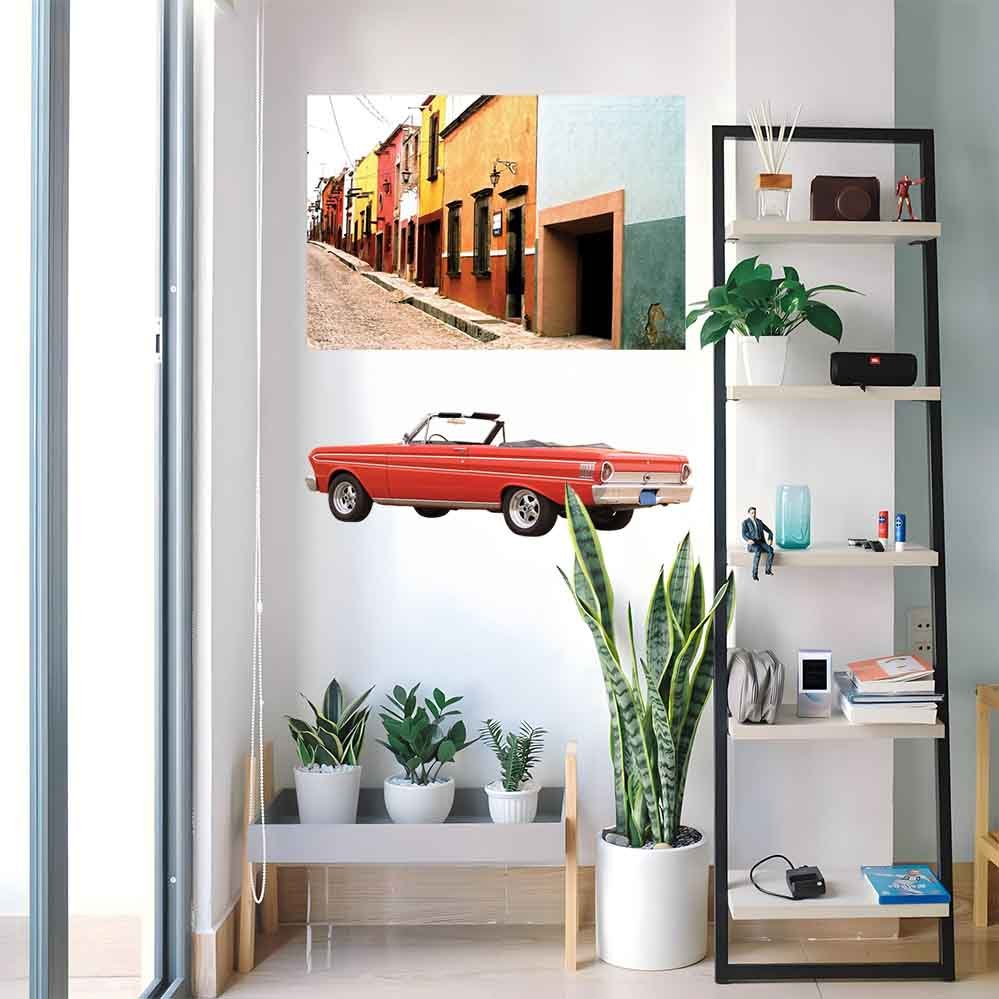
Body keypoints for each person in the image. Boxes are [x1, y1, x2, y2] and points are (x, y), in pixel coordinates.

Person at [741, 506, 774, 580]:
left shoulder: (759, 522)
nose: (754, 514)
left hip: (761, 542)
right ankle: (754, 574)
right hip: (752, 544)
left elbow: (769, 531)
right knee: (758, 550)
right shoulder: (745, 522)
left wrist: (770, 539)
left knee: (771, 550)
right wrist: (748, 540)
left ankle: (768, 570)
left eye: (755, 513)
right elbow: (743, 534)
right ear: (749, 513)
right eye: (752, 513)